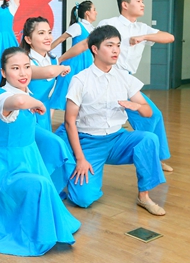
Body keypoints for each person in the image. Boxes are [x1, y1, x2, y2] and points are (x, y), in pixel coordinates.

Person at [0, 47, 80, 256]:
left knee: (58, 151)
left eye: (27, 67)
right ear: (3, 72)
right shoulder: (4, 96)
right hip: (8, 169)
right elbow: (18, 102)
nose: (23, 73)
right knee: (40, 184)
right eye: (15, 68)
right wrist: (37, 103)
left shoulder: (26, 91)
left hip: (29, 159)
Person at [61, 0, 175, 172]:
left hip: (125, 81)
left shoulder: (142, 28)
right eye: (138, 0)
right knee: (82, 120)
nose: (142, 4)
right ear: (125, 4)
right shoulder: (110, 24)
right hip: (106, 77)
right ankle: (67, 153)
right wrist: (60, 59)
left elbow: (169, 37)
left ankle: (154, 157)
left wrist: (144, 37)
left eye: (142, 0)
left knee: (153, 115)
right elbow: (84, 44)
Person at [56, 25, 167, 215]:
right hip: (89, 142)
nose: (116, 50)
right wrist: (81, 159)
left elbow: (149, 112)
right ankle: (72, 168)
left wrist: (138, 106)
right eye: (109, 45)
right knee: (82, 199)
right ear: (95, 49)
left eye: (118, 45)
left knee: (149, 139)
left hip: (117, 139)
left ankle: (144, 196)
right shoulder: (81, 80)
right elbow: (69, 121)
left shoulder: (124, 77)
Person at [20, 17, 70, 131]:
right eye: (41, 33)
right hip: (27, 114)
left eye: (49, 32)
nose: (48, 37)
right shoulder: (24, 61)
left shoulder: (53, 60)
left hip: (44, 113)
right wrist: (62, 68)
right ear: (28, 39)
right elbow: (49, 72)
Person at [49, 0, 97, 111]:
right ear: (87, 13)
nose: (96, 12)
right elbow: (61, 39)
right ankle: (48, 120)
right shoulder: (77, 26)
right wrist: (45, 51)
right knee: (62, 92)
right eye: (94, 10)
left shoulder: (93, 29)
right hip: (73, 63)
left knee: (83, 94)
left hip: (87, 62)